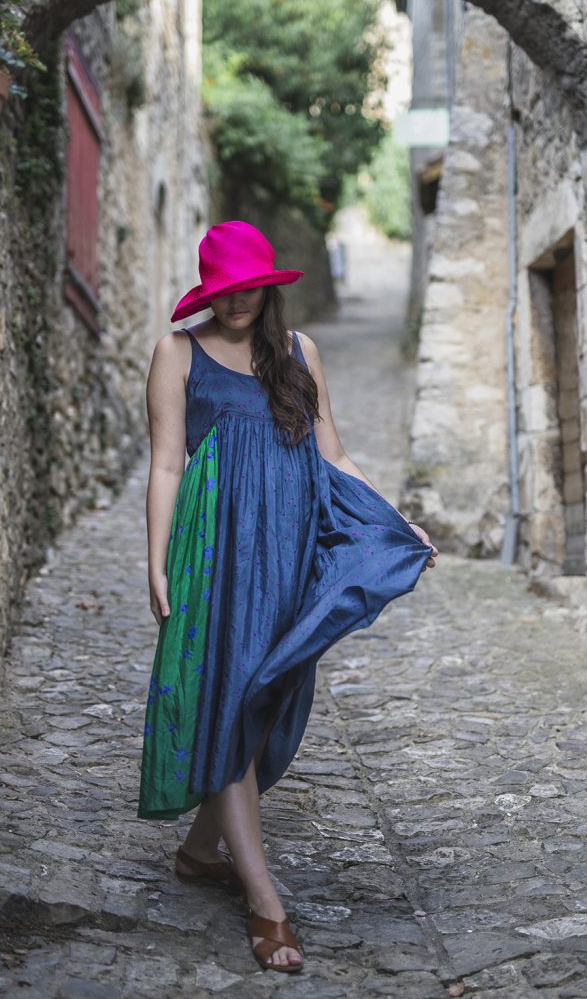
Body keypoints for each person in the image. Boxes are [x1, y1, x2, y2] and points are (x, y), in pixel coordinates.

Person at [138, 220, 437, 973]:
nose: (237, 303)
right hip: (213, 556)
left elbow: (332, 454)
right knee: (232, 697)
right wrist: (155, 562)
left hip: (289, 552)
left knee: (267, 704)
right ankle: (266, 904)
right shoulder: (178, 353)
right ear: (208, 291)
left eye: (248, 289)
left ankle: (203, 851)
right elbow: (167, 463)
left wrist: (397, 522)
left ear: (268, 286)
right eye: (223, 291)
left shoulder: (302, 354)